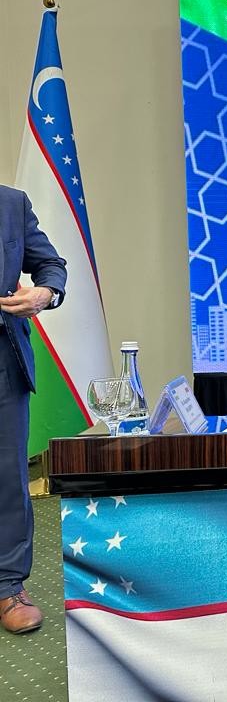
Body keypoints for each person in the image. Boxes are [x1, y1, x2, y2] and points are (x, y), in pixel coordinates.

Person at [0, 184, 67, 634]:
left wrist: (45, 293)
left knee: (8, 477)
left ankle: (8, 586)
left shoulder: (11, 203)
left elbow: (51, 265)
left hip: (3, 359)